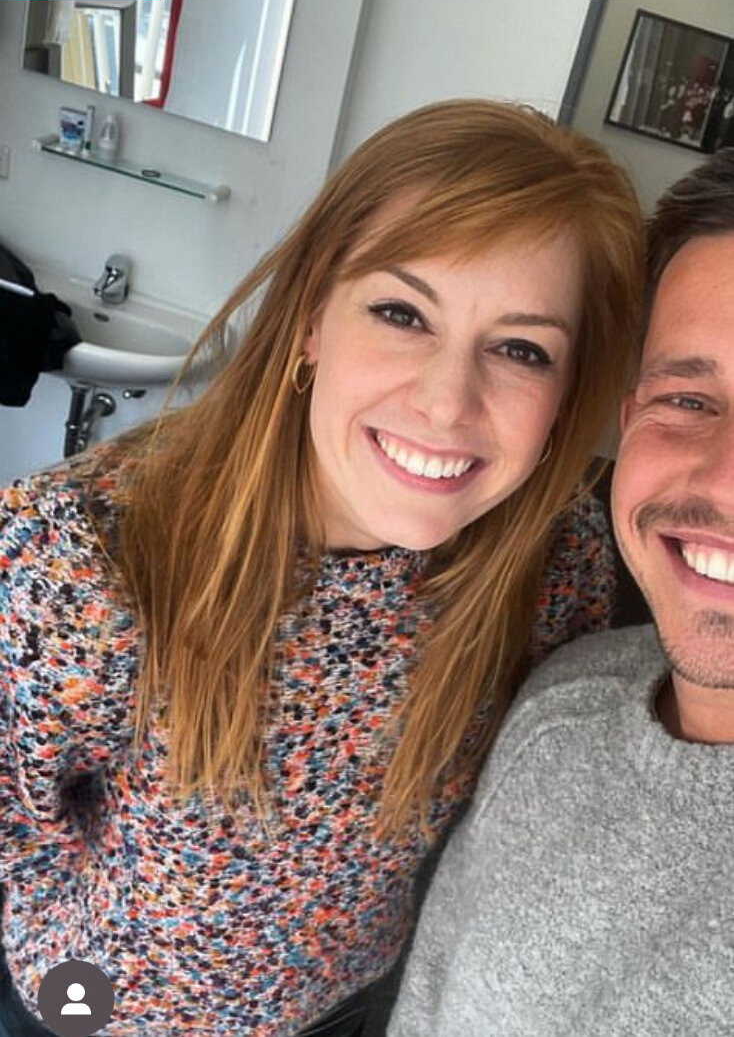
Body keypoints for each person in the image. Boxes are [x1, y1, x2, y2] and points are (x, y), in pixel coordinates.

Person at [0, 99, 644, 1037]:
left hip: (341, 1011)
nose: (447, 402)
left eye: (521, 349)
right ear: (310, 320)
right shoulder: (81, 554)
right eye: (401, 313)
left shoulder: (554, 560)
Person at [388, 147, 734, 1036]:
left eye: (520, 349)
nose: (725, 481)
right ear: (629, 420)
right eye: (690, 401)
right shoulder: (565, 700)